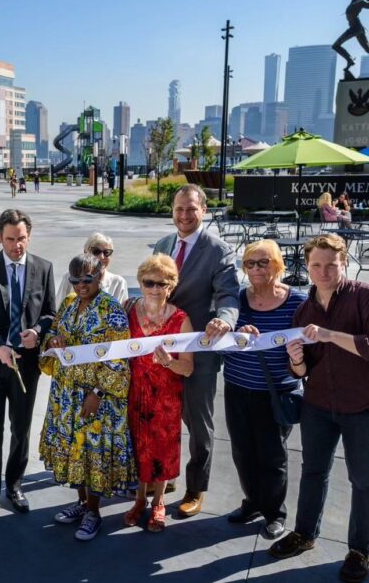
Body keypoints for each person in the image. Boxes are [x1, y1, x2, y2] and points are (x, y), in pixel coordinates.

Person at [270, 234, 369, 583]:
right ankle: (305, 533)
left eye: (331, 264)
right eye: (316, 265)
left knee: (363, 480)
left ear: (344, 263)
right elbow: (302, 370)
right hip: (318, 405)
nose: (323, 272)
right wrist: (296, 360)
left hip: (362, 405)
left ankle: (360, 550)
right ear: (307, 266)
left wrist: (330, 335)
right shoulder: (303, 309)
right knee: (313, 471)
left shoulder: (362, 297)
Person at [152, 183, 239, 517]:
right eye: (179, 209)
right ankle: (166, 476)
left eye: (191, 209)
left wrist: (225, 319)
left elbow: (229, 294)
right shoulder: (162, 244)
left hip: (199, 352)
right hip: (161, 351)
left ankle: (195, 488)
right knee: (164, 417)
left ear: (203, 210)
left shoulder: (217, 250)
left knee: (199, 424)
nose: (184, 215)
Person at [0, 209, 55, 528]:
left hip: (27, 366)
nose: (16, 245)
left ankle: (15, 486)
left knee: (21, 429)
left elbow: (50, 312)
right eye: (10, 239)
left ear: (28, 236)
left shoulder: (43, 268)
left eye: (21, 238)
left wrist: (38, 332)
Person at [39, 253, 134, 541]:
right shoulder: (68, 304)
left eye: (87, 279)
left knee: (94, 453)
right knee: (73, 451)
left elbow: (119, 358)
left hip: (97, 397)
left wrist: (97, 393)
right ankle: (81, 504)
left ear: (100, 275)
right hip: (66, 395)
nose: (81, 285)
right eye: (75, 280)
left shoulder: (111, 309)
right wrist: (53, 341)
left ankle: (94, 512)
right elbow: (53, 334)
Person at [222, 240, 307, 540]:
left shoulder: (297, 302)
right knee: (243, 451)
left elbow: (305, 354)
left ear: (278, 265)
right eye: (250, 263)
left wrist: (296, 360)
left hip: (275, 392)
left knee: (272, 456)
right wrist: (236, 335)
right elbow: (221, 342)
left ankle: (274, 512)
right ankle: (252, 502)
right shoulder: (236, 300)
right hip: (237, 387)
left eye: (263, 262)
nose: (256, 269)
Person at [123, 254, 194, 532]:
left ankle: (159, 502)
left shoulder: (181, 320)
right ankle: (139, 499)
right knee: (137, 448)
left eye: (161, 284)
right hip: (135, 392)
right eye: (148, 282)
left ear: (171, 286)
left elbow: (188, 368)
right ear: (140, 283)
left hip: (166, 396)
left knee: (162, 451)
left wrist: (169, 362)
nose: (154, 289)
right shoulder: (128, 311)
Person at [56, 233, 128, 304]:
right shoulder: (70, 278)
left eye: (106, 252)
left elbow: (121, 313)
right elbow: (59, 308)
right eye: (96, 251)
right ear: (85, 252)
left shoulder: (118, 283)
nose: (101, 257)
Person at [332, 0, 369, 77]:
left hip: (355, 28)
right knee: (367, 49)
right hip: (357, 28)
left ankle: (349, 60)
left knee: (335, 46)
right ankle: (349, 60)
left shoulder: (359, 2)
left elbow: (366, 4)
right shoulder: (355, 2)